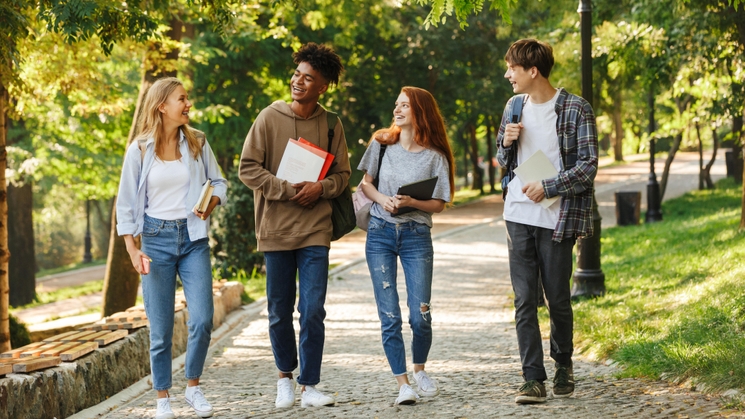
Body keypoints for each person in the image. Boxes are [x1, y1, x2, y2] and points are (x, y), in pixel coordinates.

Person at [238, 42, 349, 409]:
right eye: (297, 74)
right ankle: (284, 376)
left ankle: (310, 385)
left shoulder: (332, 124)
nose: (298, 82)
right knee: (279, 309)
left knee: (313, 308)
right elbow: (248, 168)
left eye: (308, 78)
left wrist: (321, 187)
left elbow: (343, 175)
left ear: (323, 86)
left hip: (316, 229)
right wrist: (286, 190)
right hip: (276, 229)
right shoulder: (268, 117)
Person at [116, 77, 227, 419]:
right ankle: (163, 396)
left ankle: (193, 388)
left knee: (204, 318)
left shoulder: (197, 142)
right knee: (161, 327)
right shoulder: (139, 150)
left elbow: (220, 181)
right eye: (182, 99)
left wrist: (210, 204)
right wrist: (133, 250)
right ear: (162, 105)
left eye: (187, 98)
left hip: (192, 239)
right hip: (155, 241)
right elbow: (125, 204)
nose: (188, 104)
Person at [496, 39, 599, 404]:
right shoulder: (513, 106)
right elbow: (501, 159)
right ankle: (532, 378)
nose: (507, 74)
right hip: (517, 215)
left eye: (512, 68)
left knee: (557, 297)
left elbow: (588, 166)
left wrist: (549, 185)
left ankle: (563, 364)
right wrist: (505, 144)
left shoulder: (575, 109)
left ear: (532, 70)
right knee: (524, 300)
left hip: (558, 217)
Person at [357, 86, 455, 406]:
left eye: (405, 106)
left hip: (416, 235)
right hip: (380, 233)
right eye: (396, 104)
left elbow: (439, 203)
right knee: (389, 316)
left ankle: (420, 369)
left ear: (420, 112)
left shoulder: (435, 156)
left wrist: (411, 200)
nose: (397, 110)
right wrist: (384, 199)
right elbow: (365, 185)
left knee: (420, 314)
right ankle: (403, 383)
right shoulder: (381, 144)